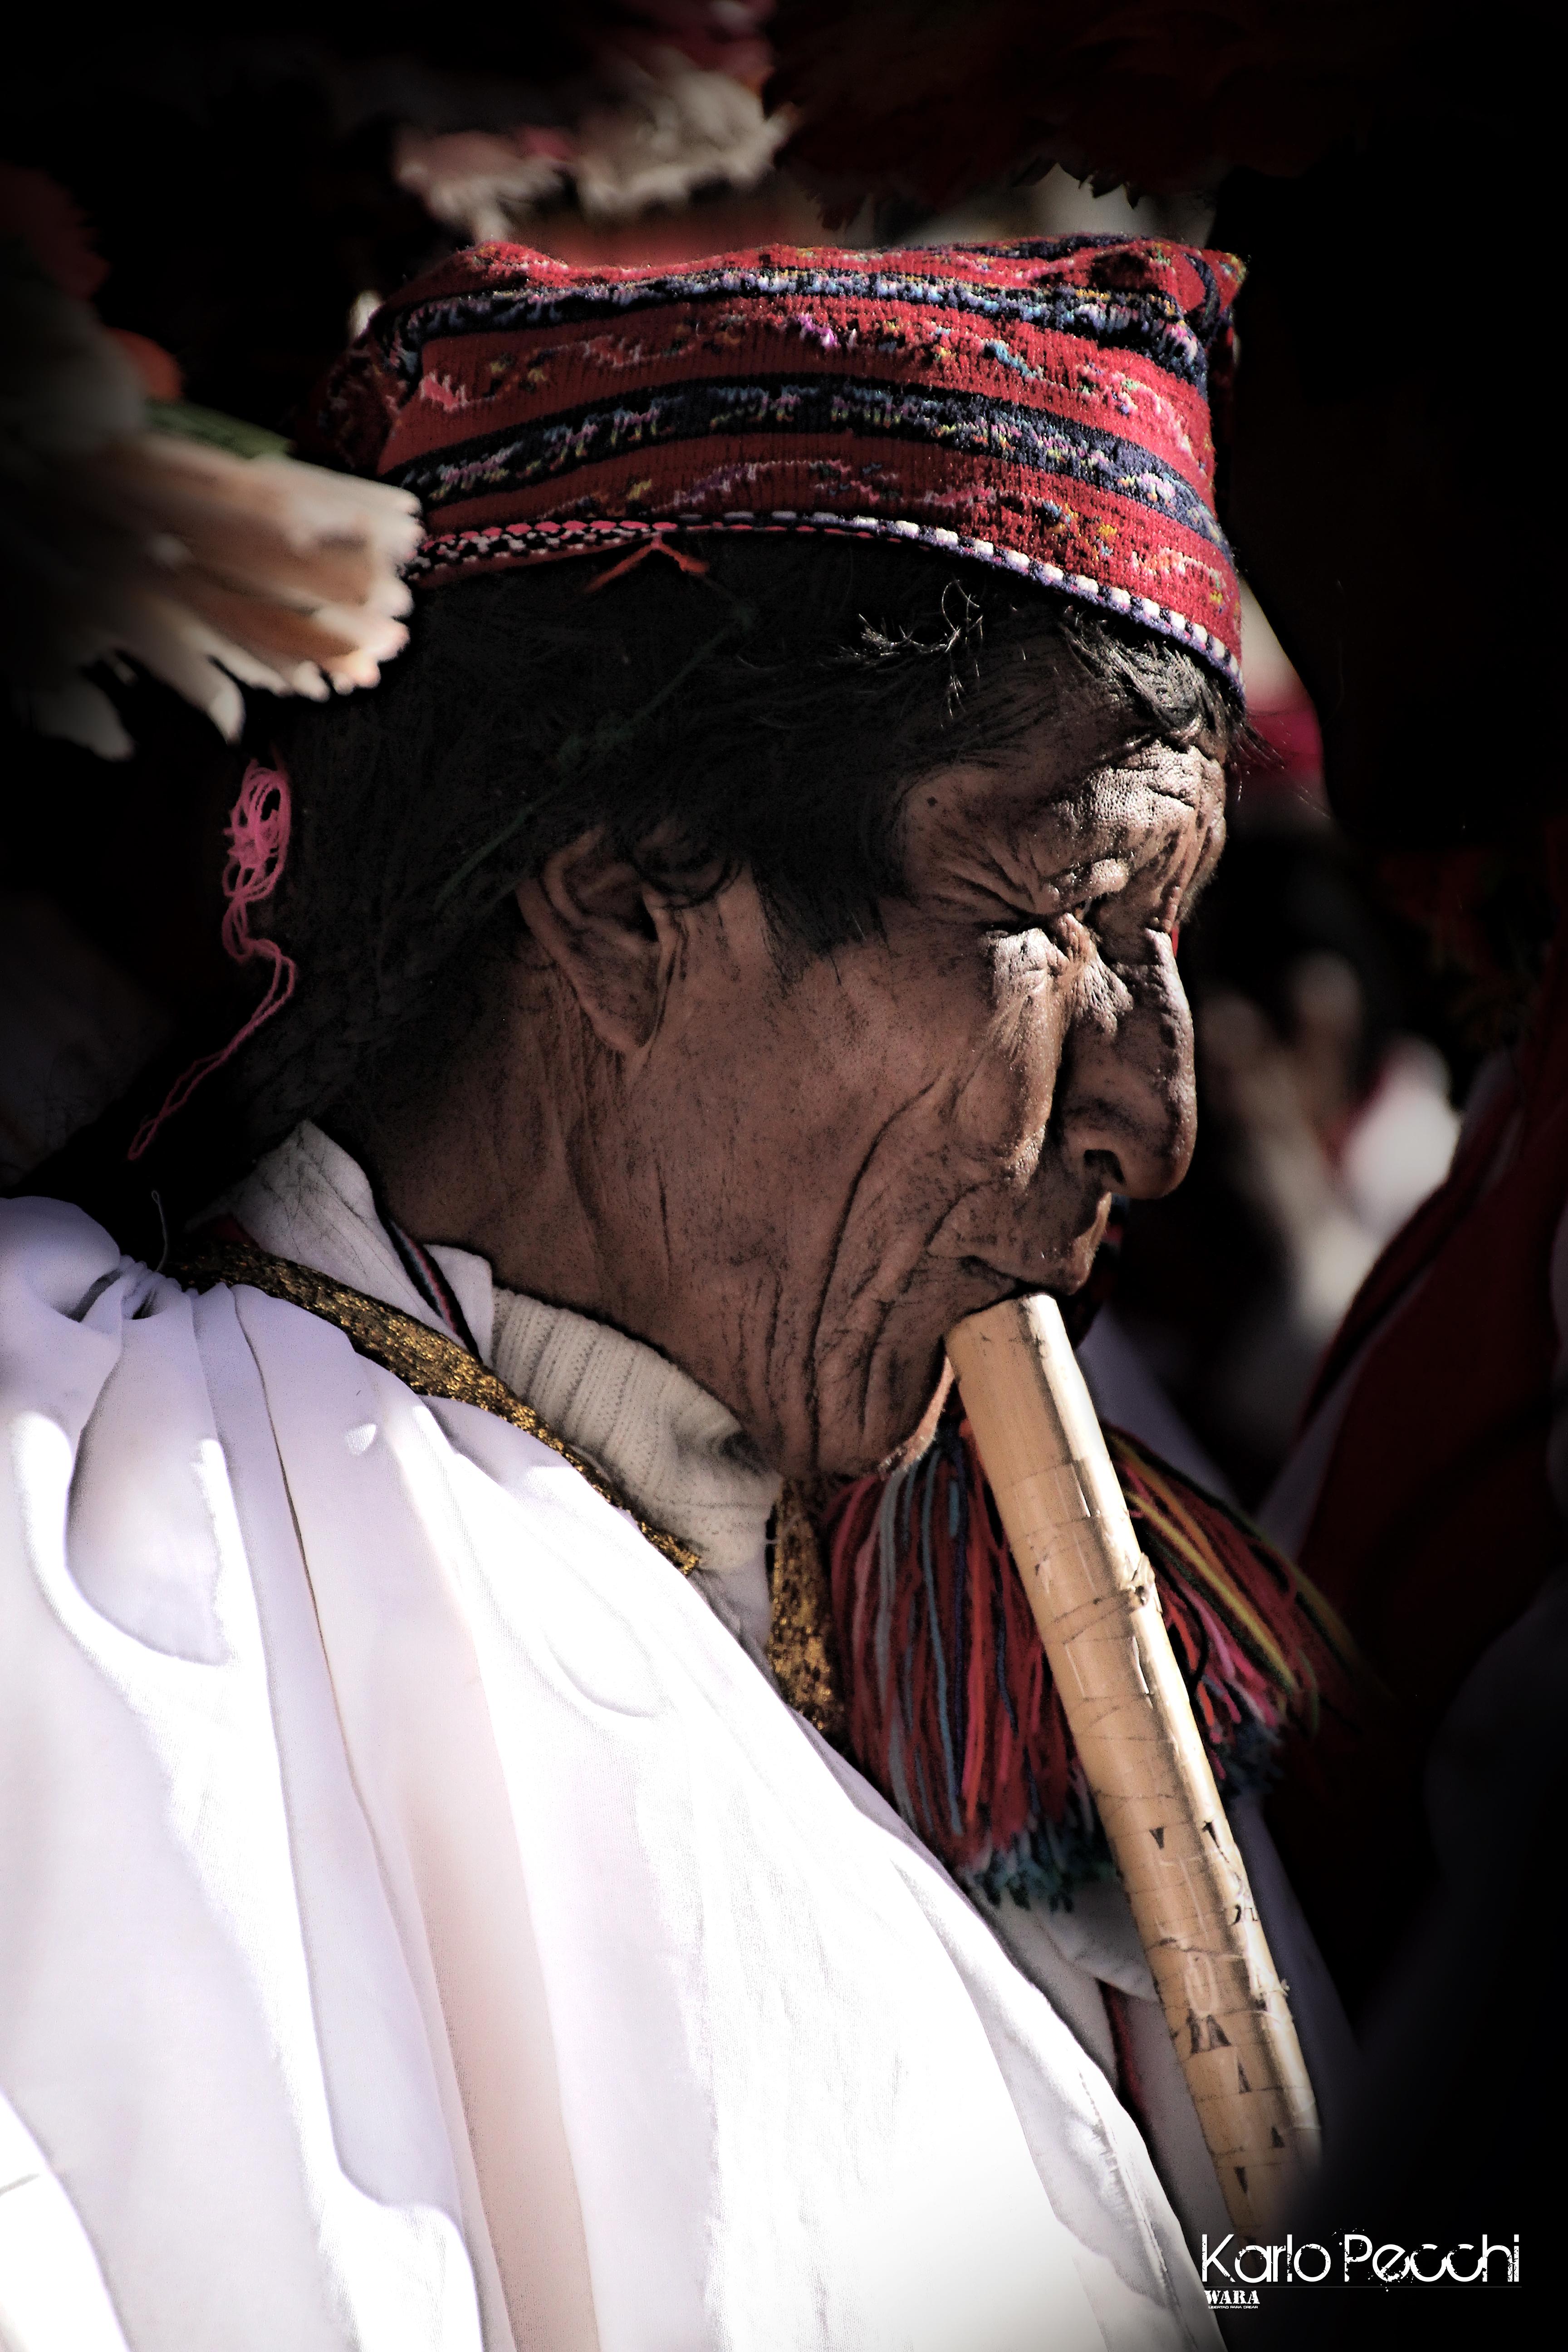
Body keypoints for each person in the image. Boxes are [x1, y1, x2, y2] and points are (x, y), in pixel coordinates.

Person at [2, 235, 1266, 2351]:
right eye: (1070, 910)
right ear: (622, 909)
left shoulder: (1008, 1688)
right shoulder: (77, 1578)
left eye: (1177, 945)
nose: (1156, 1110)